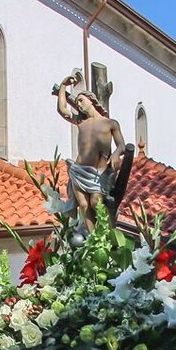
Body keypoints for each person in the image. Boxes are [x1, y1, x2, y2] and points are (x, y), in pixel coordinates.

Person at [56, 73, 126, 233]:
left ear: (92, 100)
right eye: (77, 102)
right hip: (78, 170)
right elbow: (62, 109)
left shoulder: (110, 123)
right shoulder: (81, 122)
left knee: (96, 202)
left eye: (81, 100)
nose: (79, 105)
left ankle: (108, 236)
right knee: (83, 205)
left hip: (98, 173)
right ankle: (94, 239)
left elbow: (121, 145)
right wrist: (63, 86)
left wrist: (115, 155)